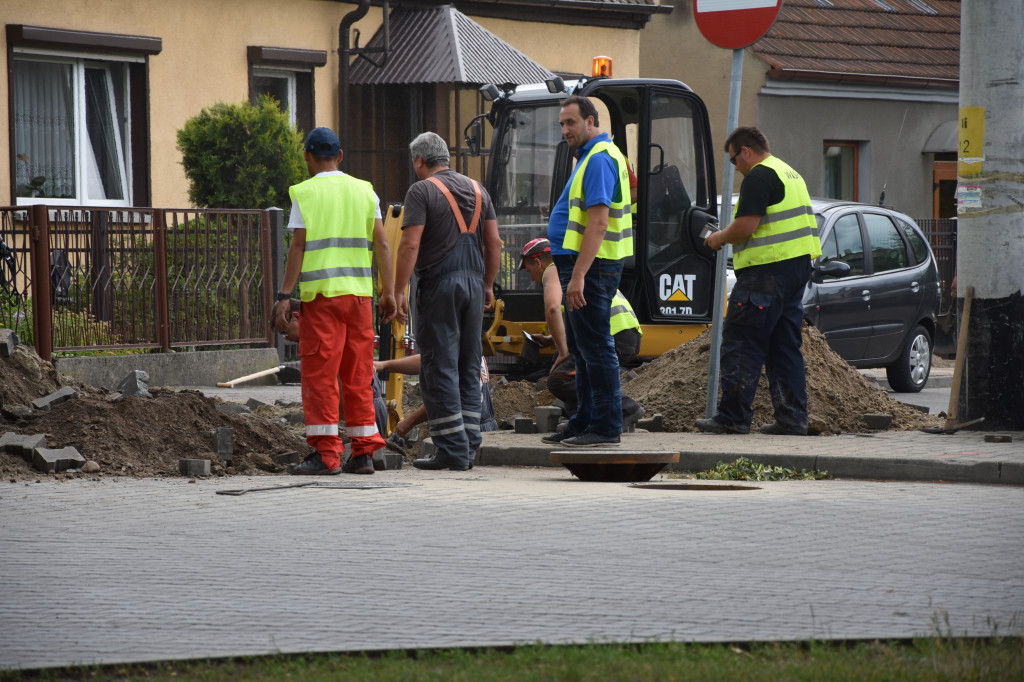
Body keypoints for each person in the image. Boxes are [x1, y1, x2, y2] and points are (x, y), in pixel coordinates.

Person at [274, 127, 397, 475]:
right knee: (358, 376)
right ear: (340, 156)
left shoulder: (306, 193)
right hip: (359, 300)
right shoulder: (365, 191)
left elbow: (298, 246)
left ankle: (327, 455)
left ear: (307, 157)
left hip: (323, 300)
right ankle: (363, 454)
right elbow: (383, 245)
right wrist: (388, 292)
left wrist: (285, 296)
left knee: (321, 377)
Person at [697, 126, 821, 436]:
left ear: (746, 151)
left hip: (765, 274)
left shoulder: (759, 175)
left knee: (742, 342)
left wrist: (717, 239)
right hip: (796, 271)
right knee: (784, 346)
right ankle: (793, 419)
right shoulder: (790, 173)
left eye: (733, 160)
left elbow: (745, 227)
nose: (734, 167)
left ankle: (733, 418)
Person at [393, 132, 501, 471]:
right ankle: (467, 448)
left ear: (419, 161)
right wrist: (487, 285)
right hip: (472, 284)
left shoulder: (421, 191)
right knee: (469, 366)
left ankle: (451, 451)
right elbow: (494, 243)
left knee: (438, 367)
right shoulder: (479, 190)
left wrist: (397, 291)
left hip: (440, 287)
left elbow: (410, 245)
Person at [543, 95, 633, 447]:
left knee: (596, 347)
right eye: (562, 124)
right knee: (583, 348)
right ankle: (583, 421)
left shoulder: (597, 159)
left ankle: (606, 427)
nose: (565, 130)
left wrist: (578, 275)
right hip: (585, 265)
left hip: (590, 268)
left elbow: (598, 223)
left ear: (591, 122)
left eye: (571, 123)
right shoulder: (594, 157)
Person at [517, 237, 645, 427]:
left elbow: (552, 309)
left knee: (559, 379)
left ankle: (625, 409)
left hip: (613, 335)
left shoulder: (553, 269)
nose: (532, 278)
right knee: (578, 373)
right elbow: (581, 319)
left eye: (530, 271)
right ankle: (582, 419)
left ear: (538, 262)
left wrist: (563, 351)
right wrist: (552, 340)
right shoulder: (574, 268)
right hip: (627, 334)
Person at [273, 297, 390, 457]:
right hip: (368, 424)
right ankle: (362, 456)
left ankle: (329, 456)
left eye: (285, 332)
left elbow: (340, 394)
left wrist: (333, 430)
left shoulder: (323, 341)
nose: (287, 339)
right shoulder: (343, 326)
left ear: (296, 316)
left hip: (367, 421)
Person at [373, 354, 498, 448]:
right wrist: (384, 365)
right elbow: (428, 360)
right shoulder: (466, 343)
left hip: (468, 432)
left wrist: (409, 422)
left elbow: (445, 398)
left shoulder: (453, 348)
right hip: (484, 425)